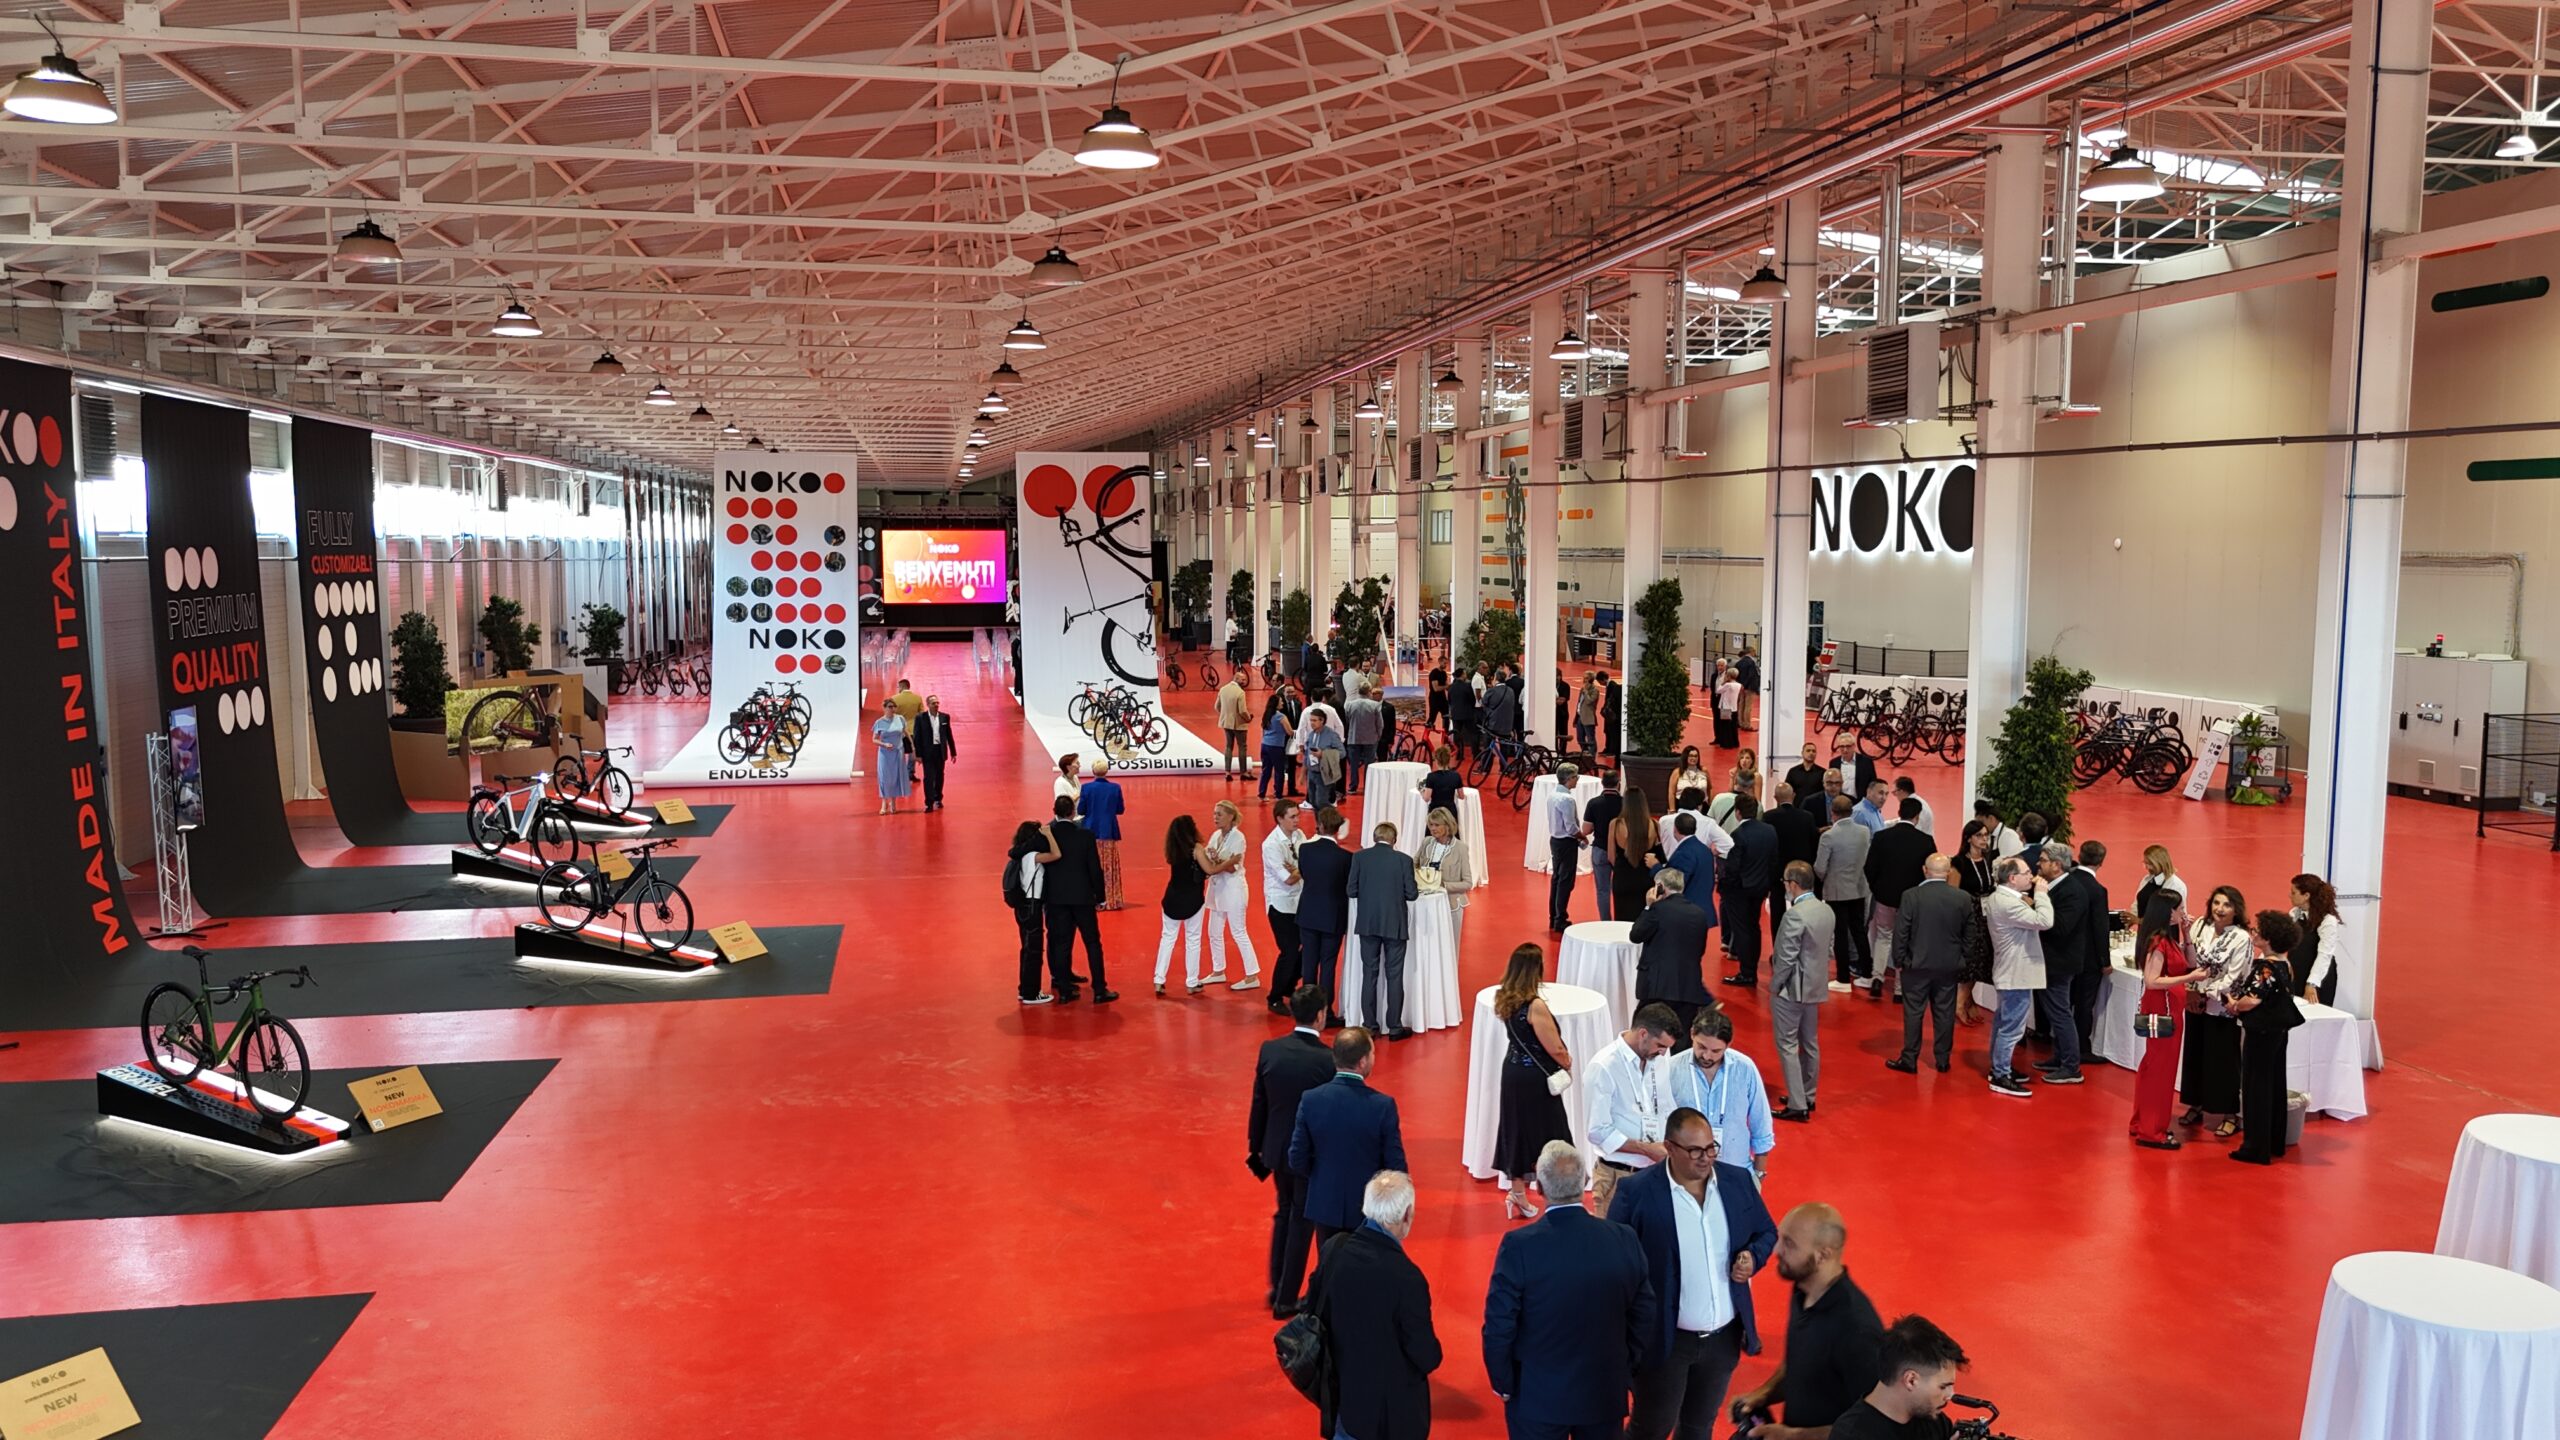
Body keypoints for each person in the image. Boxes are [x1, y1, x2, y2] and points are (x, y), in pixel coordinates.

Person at [1610, 1107, 1779, 1440]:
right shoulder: (1636, 1193)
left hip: (1723, 1341)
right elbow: (1614, 1263)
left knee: (1698, 1428)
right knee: (1651, 1428)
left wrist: (1752, 1256)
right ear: (1669, 1148)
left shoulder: (1737, 1181)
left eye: (1711, 1148)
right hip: (1664, 1343)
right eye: (1695, 1151)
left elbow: (1766, 1231)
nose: (1706, 1158)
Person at [1483, 1141, 1657, 1440]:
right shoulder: (1624, 1238)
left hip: (1537, 1399)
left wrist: (1504, 1383)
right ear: (1585, 1180)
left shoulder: (1519, 1247)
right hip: (1603, 1392)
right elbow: (1644, 1313)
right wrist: (1624, 1365)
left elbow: (1499, 1325)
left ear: (1540, 1187)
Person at [1729, 1203, 1888, 1440]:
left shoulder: (1857, 1329)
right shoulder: (1803, 1291)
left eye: (1789, 1244)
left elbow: (1873, 1427)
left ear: (1822, 1255)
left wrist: (1793, 1436)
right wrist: (1764, 1394)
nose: (1777, 1250)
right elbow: (1800, 1363)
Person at [1305, 1170, 1442, 1440]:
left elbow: (1312, 1309)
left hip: (1343, 1401)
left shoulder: (1334, 1250)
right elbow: (1426, 1355)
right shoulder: (1407, 1278)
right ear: (1407, 1214)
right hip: (1388, 1416)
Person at [1250, 985, 1334, 1316]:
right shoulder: (1326, 1060)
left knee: (1283, 1212)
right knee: (1301, 1220)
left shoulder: (1270, 1050)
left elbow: (1259, 1103)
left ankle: (1277, 1286)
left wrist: (1256, 1148)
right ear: (1320, 1015)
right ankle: (1286, 1298)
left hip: (1274, 1149)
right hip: (1308, 1156)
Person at [1290, 1028, 1409, 1247]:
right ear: (1362, 1061)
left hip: (1325, 1206)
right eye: (1372, 1053)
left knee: (1329, 1263)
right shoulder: (1382, 1106)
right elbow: (1396, 1167)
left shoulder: (1310, 1100)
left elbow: (1297, 1158)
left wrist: (1323, 1179)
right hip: (1369, 1211)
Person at [1491, 944, 1575, 1220]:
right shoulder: (1535, 1006)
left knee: (1517, 1130)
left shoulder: (1504, 998)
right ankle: (1560, 1191)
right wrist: (1567, 1062)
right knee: (1552, 1131)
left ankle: (1517, 1193)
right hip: (1535, 1079)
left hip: (1513, 1072)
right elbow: (1555, 1048)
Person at [1585, 1003, 1681, 1212]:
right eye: (1660, 1045)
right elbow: (1597, 1131)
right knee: (1613, 1234)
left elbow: (1666, 1107)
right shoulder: (1603, 1066)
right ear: (1643, 1033)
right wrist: (1646, 1149)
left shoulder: (1658, 1058)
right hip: (1618, 1176)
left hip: (1655, 1174)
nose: (1664, 1053)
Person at [2178, 885, 2256, 1141]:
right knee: (2195, 1055)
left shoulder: (2242, 938)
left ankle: (2231, 1114)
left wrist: (2203, 993)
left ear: (2236, 910)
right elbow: (2189, 959)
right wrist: (2190, 989)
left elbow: (2236, 977)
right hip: (2195, 1003)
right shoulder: (2200, 926)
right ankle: (2197, 1103)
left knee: (2223, 1061)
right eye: (2216, 903)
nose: (2220, 909)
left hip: (2223, 1007)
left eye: (2226, 905)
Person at [2229, 911, 2307, 1165]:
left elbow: (2252, 1000)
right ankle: (2274, 1141)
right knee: (2274, 1084)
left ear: (2269, 939)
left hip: (2261, 1033)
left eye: (2258, 930)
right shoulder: (2286, 965)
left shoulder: (2265, 967)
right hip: (2278, 1032)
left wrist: (2234, 1004)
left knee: (2256, 1088)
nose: (2253, 933)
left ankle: (2255, 1147)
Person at [1668, 1010, 1776, 1188]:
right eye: (1701, 1047)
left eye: (1716, 1051)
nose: (1707, 1056)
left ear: (1728, 1044)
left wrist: (1758, 1175)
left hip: (1736, 1174)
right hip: (1686, 1178)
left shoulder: (1745, 1068)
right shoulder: (1672, 1068)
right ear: (1692, 1034)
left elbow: (1761, 1123)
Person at [2128, 887, 2201, 1151]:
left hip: (2167, 1009)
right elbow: (2152, 980)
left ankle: (2143, 1122)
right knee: (2161, 1070)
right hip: (2163, 1011)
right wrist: (2188, 979)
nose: (2183, 913)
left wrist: (2187, 933)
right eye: (2180, 909)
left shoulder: (2166, 939)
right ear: (2168, 912)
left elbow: (2190, 961)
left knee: (2153, 1066)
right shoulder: (2158, 942)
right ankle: (2152, 1130)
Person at [1822, 1315, 1970, 1440]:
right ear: (1911, 1380)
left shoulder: (1932, 1420)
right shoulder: (1851, 1435)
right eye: (1943, 1386)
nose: (1950, 1395)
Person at [1885, 856, 1969, 1074]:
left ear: (1925, 870)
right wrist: (1962, 960)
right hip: (1948, 966)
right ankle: (1943, 1060)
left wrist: (1900, 960)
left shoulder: (1911, 896)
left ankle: (1909, 1058)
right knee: (1945, 1013)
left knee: (1913, 1012)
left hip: (1916, 966)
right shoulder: (1962, 898)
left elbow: (1901, 932)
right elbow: (1969, 934)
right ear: (1948, 872)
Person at [1983, 856, 2053, 1098]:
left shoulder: (2001, 898)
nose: (2031, 876)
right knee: (2012, 1027)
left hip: (2010, 971)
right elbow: (2045, 921)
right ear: (2012, 878)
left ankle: (1999, 1067)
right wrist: (2042, 895)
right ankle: (2000, 1074)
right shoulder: (2008, 903)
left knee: (2003, 1022)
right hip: (2016, 973)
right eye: (2026, 873)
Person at [1769, 862, 1834, 1122]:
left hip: (1792, 989)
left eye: (1785, 882)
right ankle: (1807, 1095)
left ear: (1793, 884)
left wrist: (1775, 985)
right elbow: (1828, 948)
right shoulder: (1826, 910)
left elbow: (1786, 957)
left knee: (1787, 1044)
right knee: (1810, 1043)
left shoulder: (1795, 915)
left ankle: (1798, 1104)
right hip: (1815, 986)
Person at [1348, 822, 1422, 1039]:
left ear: (1374, 838)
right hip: (1394, 924)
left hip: (1368, 924)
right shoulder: (1404, 860)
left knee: (1369, 974)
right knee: (1394, 975)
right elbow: (1412, 894)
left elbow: (1351, 890)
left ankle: (1369, 1025)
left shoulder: (1359, 858)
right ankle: (1395, 1027)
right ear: (1394, 840)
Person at [1040, 795, 1117, 1003]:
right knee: (1092, 943)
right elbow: (1094, 869)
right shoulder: (1085, 836)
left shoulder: (1046, 835)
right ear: (1073, 812)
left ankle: (1064, 989)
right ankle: (1099, 989)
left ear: (1054, 811)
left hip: (1056, 899)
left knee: (1061, 943)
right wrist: (1100, 897)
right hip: (1083, 898)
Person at [2034, 843, 2099, 1082]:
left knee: (2060, 1013)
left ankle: (2071, 1066)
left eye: (2043, 860)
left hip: (2060, 962)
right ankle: (2061, 1057)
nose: (2038, 864)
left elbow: (2060, 927)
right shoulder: (2059, 887)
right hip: (2053, 960)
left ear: (2056, 865)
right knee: (2056, 1013)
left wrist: (2037, 904)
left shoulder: (2072, 891)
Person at [1861, 797, 1933, 1000]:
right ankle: (1900, 989)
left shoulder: (1882, 837)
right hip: (1911, 901)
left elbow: (1869, 867)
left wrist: (1877, 889)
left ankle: (1877, 977)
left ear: (1899, 812)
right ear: (1917, 816)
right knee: (1907, 941)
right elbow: (1929, 872)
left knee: (1883, 936)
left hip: (1885, 897)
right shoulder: (1925, 841)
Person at [1631, 870, 1716, 1043]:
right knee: (1681, 1041)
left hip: (1657, 987)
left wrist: (1648, 906)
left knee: (1645, 1038)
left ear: (1660, 887)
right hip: (1689, 988)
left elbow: (1636, 935)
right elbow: (1699, 950)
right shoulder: (1699, 914)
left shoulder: (1657, 910)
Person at [1296, 807, 1355, 1024]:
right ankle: (1325, 1012)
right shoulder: (1345, 857)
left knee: (1309, 962)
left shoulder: (1305, 850)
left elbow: (1304, 874)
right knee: (1328, 965)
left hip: (1308, 913)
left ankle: (1306, 1010)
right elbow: (1348, 887)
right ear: (1338, 828)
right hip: (1333, 916)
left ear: (1320, 825)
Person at [1813, 797, 1873, 992]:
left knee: (1840, 934)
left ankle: (1843, 978)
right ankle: (1867, 974)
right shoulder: (1864, 832)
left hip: (1836, 891)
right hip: (1858, 888)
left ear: (1833, 812)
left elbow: (1820, 867)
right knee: (1859, 931)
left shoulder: (1829, 837)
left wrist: (1826, 878)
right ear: (1851, 811)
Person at [1202, 800, 1262, 992]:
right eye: (1214, 813)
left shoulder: (1238, 837)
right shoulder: (1216, 835)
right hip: (1216, 889)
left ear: (1230, 816)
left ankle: (1252, 975)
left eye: (1219, 814)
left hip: (1233, 889)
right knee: (1213, 931)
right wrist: (1216, 859)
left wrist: (1216, 860)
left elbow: (1232, 868)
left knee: (1238, 932)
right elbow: (1210, 859)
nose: (1215, 817)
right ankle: (1218, 970)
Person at [1719, 796, 1777, 987]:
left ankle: (1747, 972)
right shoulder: (1769, 830)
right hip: (1760, 888)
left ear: (1738, 812)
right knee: (1754, 927)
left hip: (1739, 891)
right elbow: (1773, 860)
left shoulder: (1739, 834)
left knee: (1742, 930)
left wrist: (1726, 885)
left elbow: (1733, 867)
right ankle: (1750, 969)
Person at [1154, 814, 1211, 998]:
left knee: (1167, 938)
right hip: (1193, 899)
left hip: (1172, 898)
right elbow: (1209, 870)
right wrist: (1228, 862)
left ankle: (1159, 979)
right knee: (1193, 940)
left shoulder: (1173, 851)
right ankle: (1192, 982)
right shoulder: (1197, 849)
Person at [1263, 801, 1311, 1010]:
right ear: (1279, 819)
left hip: (1300, 901)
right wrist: (1302, 868)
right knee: (1289, 950)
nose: (1297, 820)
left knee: (1306, 947)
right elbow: (1288, 879)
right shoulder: (1271, 845)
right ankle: (1274, 997)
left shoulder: (1299, 836)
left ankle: (1289, 985)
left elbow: (1304, 865)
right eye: (1292, 817)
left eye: (1297, 815)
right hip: (1280, 904)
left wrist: (1298, 868)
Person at [1007, 819, 1058, 1005]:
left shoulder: (1019, 855)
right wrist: (1049, 835)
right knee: (1034, 950)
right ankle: (1031, 993)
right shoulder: (1033, 856)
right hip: (1032, 906)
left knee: (1026, 948)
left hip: (1022, 906)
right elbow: (1056, 854)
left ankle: (1025, 989)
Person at [1765, 784, 1819, 957]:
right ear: (1794, 796)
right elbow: (1814, 843)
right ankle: (1801, 950)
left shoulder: (1768, 817)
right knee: (1802, 911)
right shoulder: (1807, 817)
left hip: (1777, 873)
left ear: (1775, 798)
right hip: (1801, 872)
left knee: (1777, 912)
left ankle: (1778, 951)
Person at [1420, 806, 1476, 956]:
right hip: (1427, 904)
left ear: (1447, 825)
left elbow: (1467, 883)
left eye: (1437, 825)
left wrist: (1442, 885)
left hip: (1451, 905)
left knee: (1450, 947)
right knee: (1429, 946)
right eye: (1431, 825)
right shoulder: (1427, 843)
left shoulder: (1461, 848)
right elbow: (1414, 864)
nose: (1433, 828)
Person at [1077, 758, 1128, 910]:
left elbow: (1081, 810)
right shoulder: (1115, 788)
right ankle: (1112, 899)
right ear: (1106, 771)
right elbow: (1120, 809)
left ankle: (1093, 898)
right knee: (1109, 866)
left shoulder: (1086, 788)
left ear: (1093, 771)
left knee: (1090, 866)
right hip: (1109, 830)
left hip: (1090, 831)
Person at [1611, 784, 1663, 927]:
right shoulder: (1654, 824)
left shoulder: (1615, 824)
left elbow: (1611, 856)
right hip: (1645, 878)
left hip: (1622, 877)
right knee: (1644, 920)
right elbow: (1658, 854)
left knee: (1622, 922)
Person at [2291, 872, 2343, 1007]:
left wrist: (2311, 983)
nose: (2290, 896)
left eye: (2293, 892)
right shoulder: (2294, 914)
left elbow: (2324, 955)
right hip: (2297, 972)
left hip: (2318, 977)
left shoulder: (2328, 921)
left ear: (2306, 896)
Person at [1546, 762, 1585, 932]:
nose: (1577, 780)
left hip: (1555, 840)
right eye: (1576, 777)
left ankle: (1554, 916)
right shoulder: (1567, 799)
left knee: (1557, 879)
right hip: (1567, 842)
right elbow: (1571, 827)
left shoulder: (1552, 795)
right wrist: (1582, 837)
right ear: (1569, 779)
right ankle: (1560, 918)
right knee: (1566, 881)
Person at [1583, 769, 1626, 921]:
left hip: (1600, 849)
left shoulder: (1594, 803)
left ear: (1602, 783)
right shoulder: (1625, 803)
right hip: (1621, 851)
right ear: (1618, 783)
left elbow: (1586, 830)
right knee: (1622, 888)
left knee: (1602, 890)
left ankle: (1605, 921)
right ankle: (1621, 920)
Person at [1663, 812, 1719, 921]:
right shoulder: (1704, 849)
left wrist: (1655, 867)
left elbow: (1675, 884)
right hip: (1703, 910)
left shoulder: (1684, 853)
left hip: (1688, 913)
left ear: (1675, 829)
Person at [910, 693, 956, 811]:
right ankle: (929, 802)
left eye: (937, 703)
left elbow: (949, 735)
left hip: (940, 751)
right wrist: (918, 754)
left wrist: (953, 752)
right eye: (933, 703)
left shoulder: (944, 717)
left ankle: (938, 798)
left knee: (940, 776)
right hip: (927, 752)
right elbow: (917, 737)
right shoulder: (920, 718)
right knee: (929, 777)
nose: (936, 705)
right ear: (928, 705)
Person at [869, 698, 911, 815]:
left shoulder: (900, 719)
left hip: (898, 752)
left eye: (894, 707)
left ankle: (893, 802)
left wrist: (912, 745)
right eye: (890, 707)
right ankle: (884, 803)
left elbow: (906, 732)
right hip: (885, 754)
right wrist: (884, 744)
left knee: (895, 778)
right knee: (884, 778)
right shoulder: (879, 722)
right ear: (884, 708)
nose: (892, 709)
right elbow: (874, 739)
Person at [1344, 682, 1384, 795]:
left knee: (1353, 764)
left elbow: (1347, 721)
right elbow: (1380, 724)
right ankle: (1368, 786)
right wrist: (1378, 735)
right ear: (1369, 692)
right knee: (1369, 764)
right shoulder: (1375, 705)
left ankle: (1353, 786)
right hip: (1370, 738)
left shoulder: (1350, 705)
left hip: (1353, 738)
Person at [1303, 708, 1346, 809]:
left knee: (1321, 802)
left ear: (1322, 720)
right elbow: (1307, 754)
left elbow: (1342, 753)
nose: (1311, 723)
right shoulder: (1311, 735)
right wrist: (1303, 774)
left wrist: (1323, 754)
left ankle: (1327, 818)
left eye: (1314, 720)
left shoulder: (1332, 735)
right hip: (1311, 773)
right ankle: (1319, 819)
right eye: (1311, 720)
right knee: (1313, 802)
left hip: (1324, 774)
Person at [1216, 672, 1252, 780]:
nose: (1244, 682)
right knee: (1242, 747)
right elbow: (1242, 711)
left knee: (1228, 746)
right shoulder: (1240, 692)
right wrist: (1248, 718)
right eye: (1243, 680)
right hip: (1239, 724)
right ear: (1236, 678)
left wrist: (1225, 715)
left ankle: (1227, 772)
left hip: (1226, 723)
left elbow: (1217, 706)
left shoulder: (1223, 689)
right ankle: (1243, 772)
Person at [1258, 697, 1295, 800]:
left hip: (1265, 744)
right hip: (1276, 746)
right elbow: (1289, 732)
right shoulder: (1281, 717)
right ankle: (1278, 794)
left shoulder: (1267, 715)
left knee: (1266, 770)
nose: (1282, 703)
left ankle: (1262, 793)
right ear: (1276, 704)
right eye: (1281, 701)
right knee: (1279, 771)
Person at [891, 676, 924, 781]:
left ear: (901, 687)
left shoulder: (894, 699)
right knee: (912, 752)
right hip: (913, 729)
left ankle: (899, 773)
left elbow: (891, 715)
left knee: (899, 752)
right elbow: (922, 715)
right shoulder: (917, 698)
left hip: (899, 730)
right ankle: (910, 772)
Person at [1423, 745, 1466, 819]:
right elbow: (1461, 796)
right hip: (1450, 811)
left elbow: (1426, 798)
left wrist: (1422, 792)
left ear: (1437, 760)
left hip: (1435, 811)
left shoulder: (1431, 776)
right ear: (1448, 760)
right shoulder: (1456, 776)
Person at [1779, 744, 1826, 811]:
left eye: (1813, 751)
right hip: (1796, 809)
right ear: (1802, 753)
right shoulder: (1793, 771)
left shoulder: (1822, 772)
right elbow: (1787, 791)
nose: (1811, 753)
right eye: (1808, 750)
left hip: (1816, 809)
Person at [1670, 747, 1714, 813]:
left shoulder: (1704, 770)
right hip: (1682, 807)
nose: (1694, 758)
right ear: (1685, 757)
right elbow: (1671, 792)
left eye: (1696, 756)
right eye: (1691, 756)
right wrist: (1672, 810)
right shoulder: (1677, 772)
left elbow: (1709, 789)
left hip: (1701, 807)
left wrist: (1711, 806)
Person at [1714, 669, 1743, 750]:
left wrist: (1723, 682)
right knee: (1733, 726)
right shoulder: (1739, 685)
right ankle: (1735, 742)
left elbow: (1718, 690)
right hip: (1734, 708)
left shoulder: (1727, 685)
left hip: (1726, 708)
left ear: (1729, 676)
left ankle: (1726, 744)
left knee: (1725, 727)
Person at [1575, 672, 1602, 755]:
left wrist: (1586, 692)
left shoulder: (1595, 691)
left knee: (1590, 739)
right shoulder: (1582, 689)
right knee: (1580, 738)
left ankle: (1592, 756)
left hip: (1588, 717)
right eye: (1584, 678)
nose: (1584, 680)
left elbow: (1589, 701)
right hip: (1580, 716)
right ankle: (1585, 753)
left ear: (1591, 680)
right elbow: (1579, 702)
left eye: (1586, 678)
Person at [1602, 673, 1624, 760]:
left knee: (1613, 733)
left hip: (1613, 716)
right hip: (1612, 715)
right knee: (1609, 732)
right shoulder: (1614, 687)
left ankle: (1612, 750)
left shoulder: (1614, 687)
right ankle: (1609, 749)